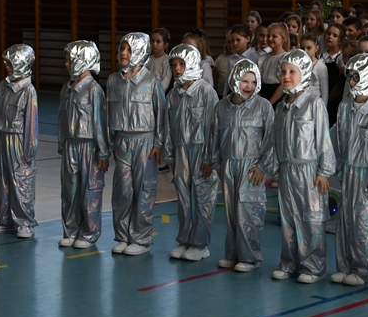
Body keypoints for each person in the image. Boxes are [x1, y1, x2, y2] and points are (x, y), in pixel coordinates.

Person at [269, 50, 336, 283]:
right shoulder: (281, 108)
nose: (286, 76)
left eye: (292, 72)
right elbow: (275, 142)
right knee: (289, 219)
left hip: (309, 171)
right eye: (283, 72)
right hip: (287, 170)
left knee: (311, 219)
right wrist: (274, 167)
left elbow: (323, 138)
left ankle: (313, 266)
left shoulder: (313, 104)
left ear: (304, 73)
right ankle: (289, 262)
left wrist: (325, 171)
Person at [107, 32, 168, 255]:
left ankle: (141, 239)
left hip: (145, 142)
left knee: (144, 191)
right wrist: (111, 143)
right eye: (121, 48)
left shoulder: (151, 81)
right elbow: (108, 114)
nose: (123, 53)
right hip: (122, 142)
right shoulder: (113, 80)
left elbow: (161, 113)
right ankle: (122, 236)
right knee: (122, 191)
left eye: (129, 49)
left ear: (140, 53)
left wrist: (159, 143)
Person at [212, 60, 275, 272]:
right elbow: (215, 137)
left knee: (249, 211)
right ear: (234, 80)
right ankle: (232, 254)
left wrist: (263, 166)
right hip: (228, 165)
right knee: (231, 213)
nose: (249, 86)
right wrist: (216, 162)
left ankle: (249, 257)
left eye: (253, 82)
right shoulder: (222, 107)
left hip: (251, 167)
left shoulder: (263, 106)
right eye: (244, 81)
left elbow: (272, 139)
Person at [330, 54, 368, 286]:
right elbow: (336, 139)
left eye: (357, 77)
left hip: (366, 175)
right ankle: (344, 266)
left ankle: (363, 270)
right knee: (345, 221)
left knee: (364, 222)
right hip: (346, 171)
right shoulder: (344, 106)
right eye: (349, 76)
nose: (352, 82)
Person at [165, 44, 219, 261]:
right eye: (173, 65)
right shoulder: (173, 96)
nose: (177, 69)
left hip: (201, 152)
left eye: (182, 64)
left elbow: (214, 127)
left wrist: (210, 158)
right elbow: (168, 128)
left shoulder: (206, 92)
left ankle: (200, 244)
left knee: (202, 198)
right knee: (183, 197)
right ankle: (185, 239)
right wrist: (171, 156)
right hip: (181, 151)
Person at [58, 41, 110, 250]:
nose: (66, 65)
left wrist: (103, 152)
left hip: (89, 146)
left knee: (90, 190)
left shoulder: (94, 90)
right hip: (70, 144)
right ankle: (70, 230)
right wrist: (62, 143)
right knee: (69, 189)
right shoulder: (66, 89)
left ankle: (89, 233)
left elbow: (100, 123)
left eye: (70, 60)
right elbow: (62, 118)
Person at [0, 44, 39, 238]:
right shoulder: (4, 86)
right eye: (7, 64)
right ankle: (6, 220)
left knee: (21, 181)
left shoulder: (28, 90)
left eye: (12, 64)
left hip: (19, 141)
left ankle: (25, 222)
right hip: (4, 138)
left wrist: (29, 151)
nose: (8, 68)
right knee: (5, 181)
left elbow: (32, 124)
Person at [262, 23, 291, 105]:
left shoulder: (284, 58)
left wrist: (270, 103)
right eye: (268, 36)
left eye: (274, 36)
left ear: (283, 39)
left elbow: (283, 85)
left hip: (277, 95)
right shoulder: (264, 57)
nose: (270, 38)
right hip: (264, 92)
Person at [300, 33, 329, 104]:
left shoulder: (320, 66)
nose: (305, 51)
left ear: (316, 48)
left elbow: (324, 91)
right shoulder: (299, 65)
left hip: (315, 104)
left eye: (309, 48)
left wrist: (323, 108)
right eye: (302, 48)